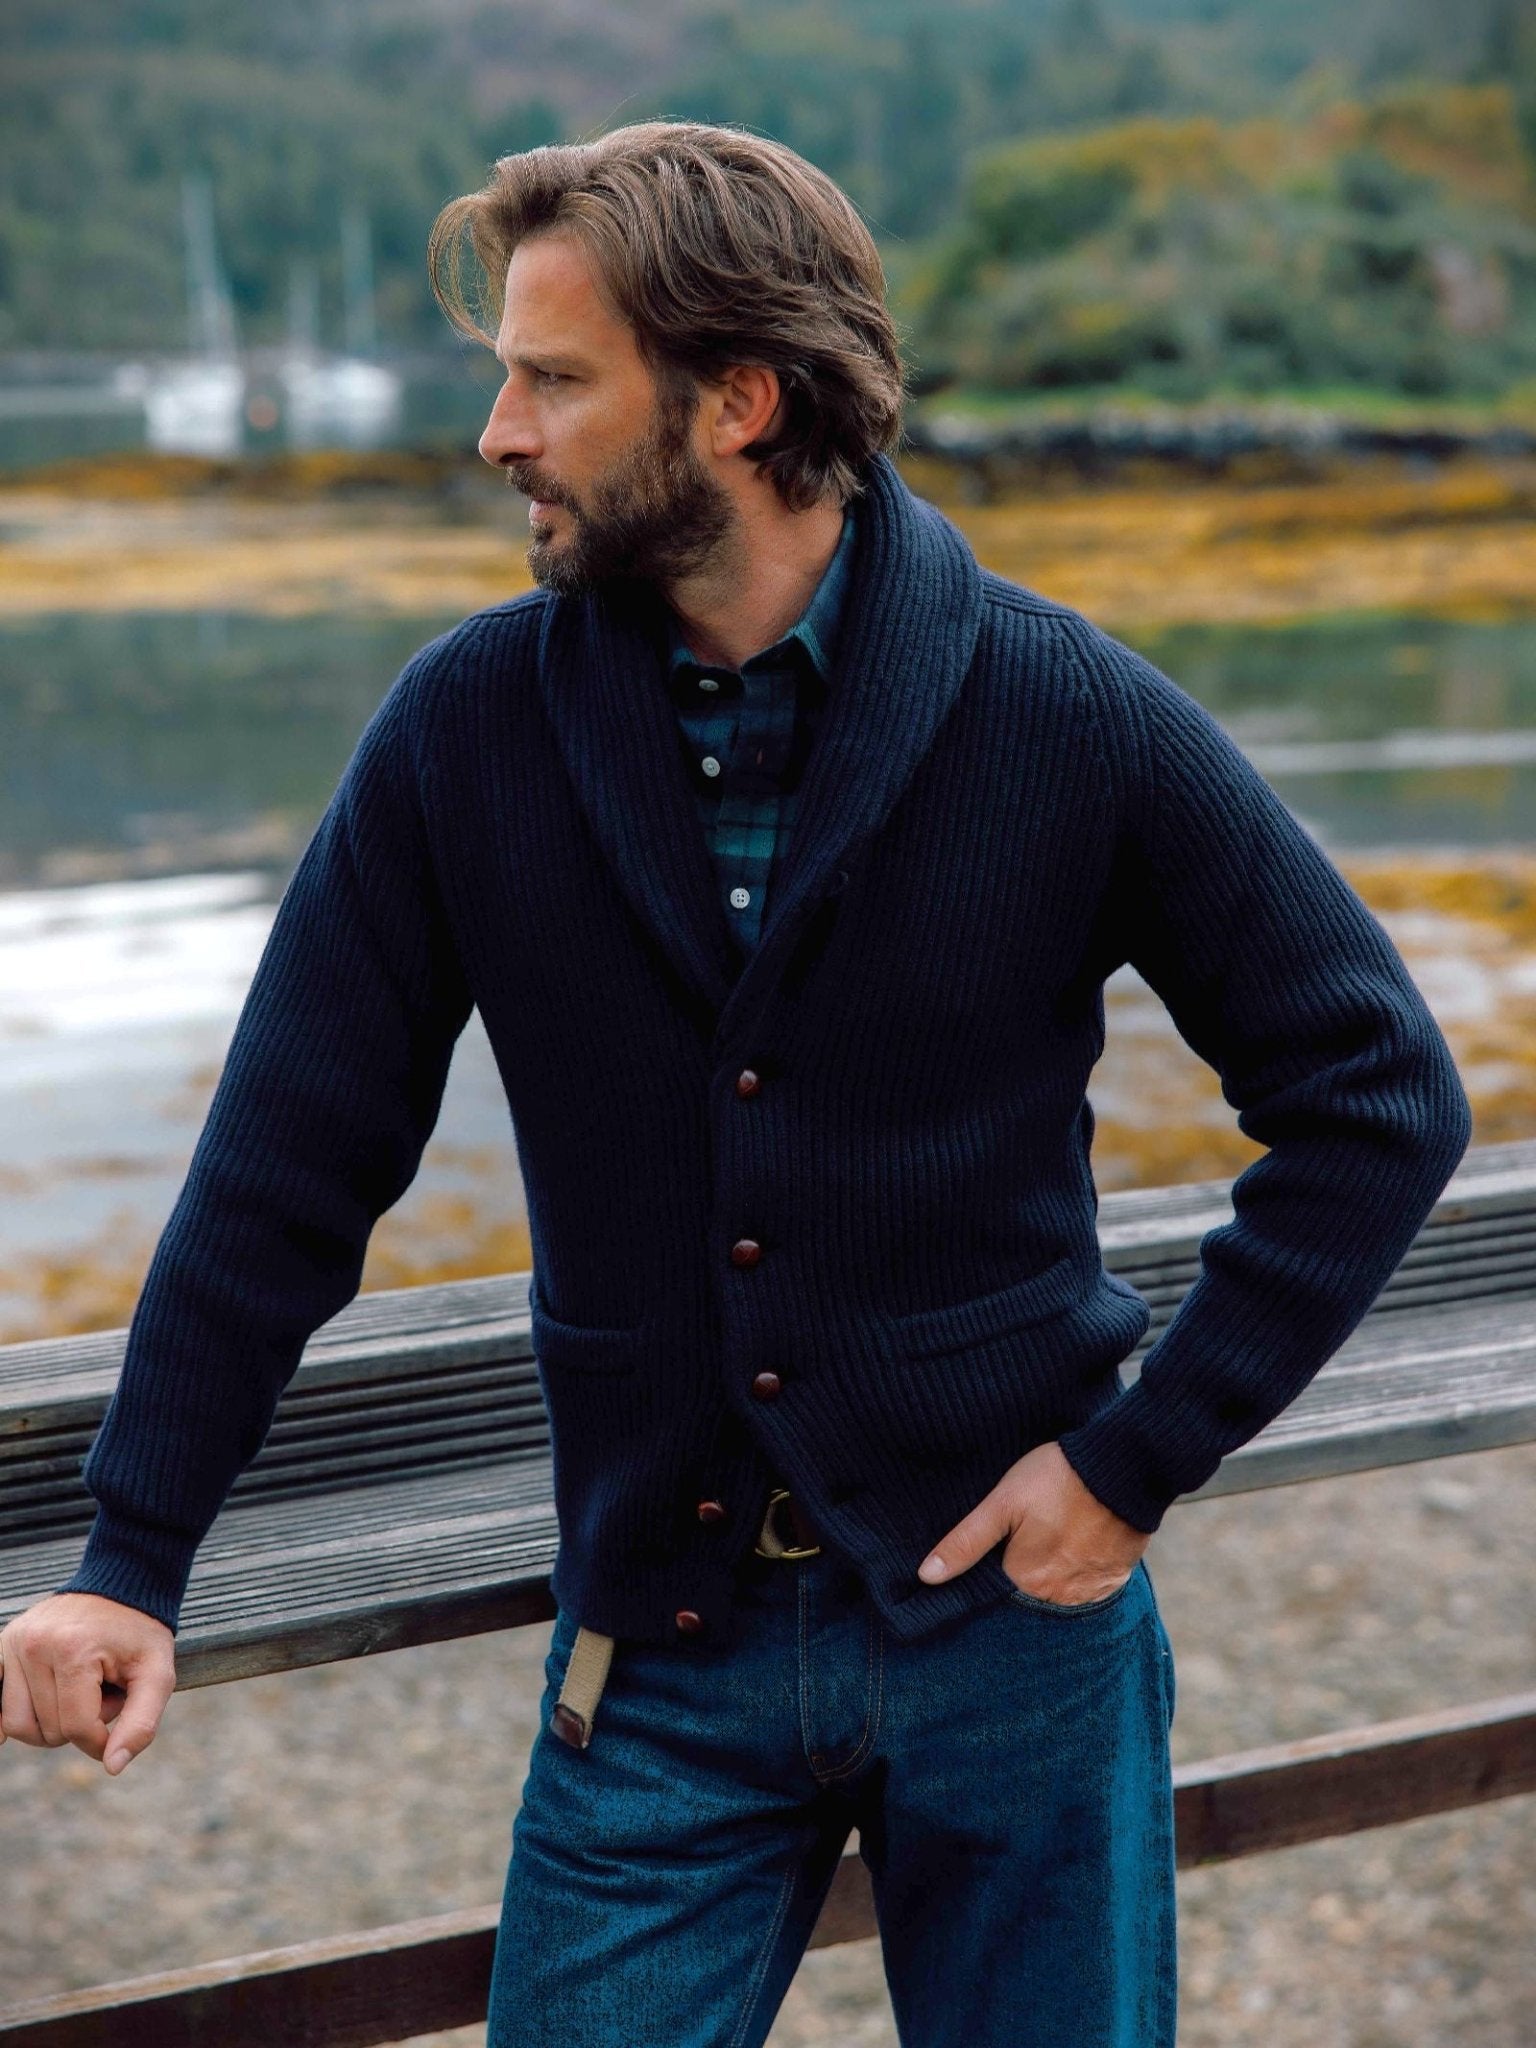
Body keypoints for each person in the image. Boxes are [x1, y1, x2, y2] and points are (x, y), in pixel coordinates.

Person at [1, 122, 1472, 2047]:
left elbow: (1378, 1091)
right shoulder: (464, 734)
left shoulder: (1063, 709)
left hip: (1018, 1644)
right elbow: (290, 1166)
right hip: (655, 1656)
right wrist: (131, 1555)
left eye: (553, 379)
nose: (498, 435)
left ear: (738, 401)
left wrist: (1139, 1461)